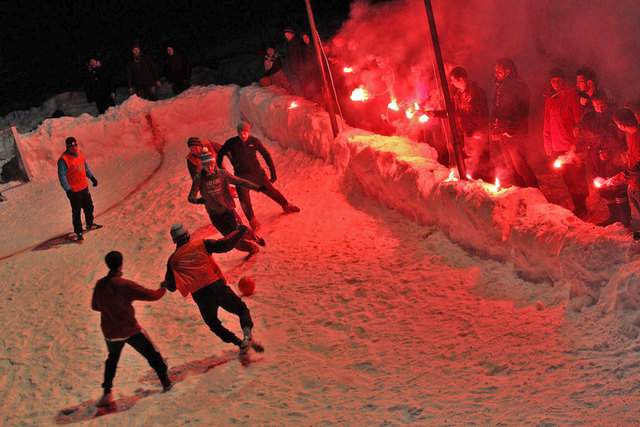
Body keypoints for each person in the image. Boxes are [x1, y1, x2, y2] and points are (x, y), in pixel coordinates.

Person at [161, 223, 265, 355]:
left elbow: (171, 286)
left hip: (201, 297)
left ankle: (239, 343)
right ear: (187, 234)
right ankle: (247, 335)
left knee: (215, 326)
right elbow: (224, 245)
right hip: (217, 287)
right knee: (241, 309)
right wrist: (239, 232)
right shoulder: (201, 244)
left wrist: (165, 283)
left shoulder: (173, 260)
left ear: (174, 240)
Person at [91, 251, 171, 407]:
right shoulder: (124, 285)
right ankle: (166, 382)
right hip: (129, 329)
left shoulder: (100, 284)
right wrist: (163, 288)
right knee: (152, 353)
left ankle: (107, 392)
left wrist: (109, 308)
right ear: (121, 263)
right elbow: (152, 295)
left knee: (112, 359)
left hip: (110, 332)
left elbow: (94, 306)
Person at [217, 122, 299, 230]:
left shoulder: (254, 141)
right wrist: (221, 167)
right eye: (241, 133)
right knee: (244, 200)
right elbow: (220, 153)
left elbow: (266, 155)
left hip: (257, 174)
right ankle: (252, 220)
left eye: (245, 133)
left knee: (270, 190)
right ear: (238, 133)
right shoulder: (231, 143)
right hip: (241, 176)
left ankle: (286, 205)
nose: (243, 135)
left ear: (249, 132)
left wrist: (273, 172)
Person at [188, 147, 265, 257]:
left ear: (214, 163)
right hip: (215, 216)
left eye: (211, 164)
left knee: (240, 233)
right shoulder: (199, 178)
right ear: (202, 165)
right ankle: (252, 248)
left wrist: (256, 187)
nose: (209, 167)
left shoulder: (222, 174)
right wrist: (198, 200)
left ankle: (253, 238)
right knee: (231, 242)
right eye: (205, 165)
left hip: (228, 211)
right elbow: (190, 197)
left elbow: (239, 181)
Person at [577, 91, 629, 226]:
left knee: (617, 187)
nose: (600, 108)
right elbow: (583, 136)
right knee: (603, 188)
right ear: (593, 104)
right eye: (596, 105)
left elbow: (622, 138)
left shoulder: (614, 117)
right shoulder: (589, 118)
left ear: (607, 102)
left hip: (613, 158)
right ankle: (613, 217)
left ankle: (624, 220)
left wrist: (610, 152)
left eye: (602, 105)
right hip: (596, 158)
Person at [543, 67, 587, 217]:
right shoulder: (549, 99)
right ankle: (579, 204)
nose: (556, 83)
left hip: (571, 145)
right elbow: (546, 124)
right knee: (568, 179)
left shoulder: (571, 94)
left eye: (558, 81)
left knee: (577, 177)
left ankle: (583, 206)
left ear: (564, 81)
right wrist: (547, 143)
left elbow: (578, 119)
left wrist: (578, 143)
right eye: (553, 81)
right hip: (557, 146)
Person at [489, 57, 539, 188]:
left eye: (499, 71)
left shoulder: (519, 87)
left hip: (515, 134)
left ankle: (536, 194)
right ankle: (524, 194)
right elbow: (496, 110)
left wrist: (510, 129)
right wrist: (495, 128)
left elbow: (522, 112)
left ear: (508, 71)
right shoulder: (500, 87)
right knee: (512, 168)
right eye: (495, 70)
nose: (496, 73)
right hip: (503, 133)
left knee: (521, 166)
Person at [449, 66, 490, 181]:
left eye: (453, 80)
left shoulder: (476, 93)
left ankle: (490, 188)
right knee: (472, 163)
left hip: (478, 135)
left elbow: (484, 113)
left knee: (483, 163)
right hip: (467, 133)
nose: (452, 83)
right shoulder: (458, 95)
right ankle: (477, 189)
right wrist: (433, 113)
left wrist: (480, 131)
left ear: (461, 79)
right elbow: (453, 111)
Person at [57, 137, 101, 240]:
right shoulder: (63, 160)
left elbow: (85, 167)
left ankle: (90, 224)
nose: (74, 148)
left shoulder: (80, 153)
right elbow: (62, 176)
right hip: (74, 191)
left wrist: (92, 177)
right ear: (67, 147)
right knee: (76, 212)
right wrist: (68, 190)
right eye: (71, 147)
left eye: (75, 146)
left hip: (84, 187)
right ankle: (78, 232)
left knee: (89, 207)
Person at [613, 108, 640, 232]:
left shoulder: (637, 137)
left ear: (622, 125)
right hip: (634, 182)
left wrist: (625, 175)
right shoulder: (633, 135)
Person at [283, 27, 303, 95]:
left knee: (299, 84)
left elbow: (300, 55)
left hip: (297, 68)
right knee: (295, 84)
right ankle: (301, 97)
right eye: (286, 35)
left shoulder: (296, 42)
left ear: (292, 34)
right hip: (292, 68)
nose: (287, 36)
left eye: (288, 34)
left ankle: (304, 99)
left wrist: (300, 68)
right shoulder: (288, 43)